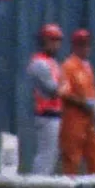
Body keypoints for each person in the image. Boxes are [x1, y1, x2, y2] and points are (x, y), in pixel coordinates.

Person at [58, 27, 95, 177]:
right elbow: (64, 93)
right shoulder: (68, 66)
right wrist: (83, 103)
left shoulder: (87, 67)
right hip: (73, 120)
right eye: (81, 44)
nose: (85, 48)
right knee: (72, 158)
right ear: (74, 46)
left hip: (89, 120)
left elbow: (92, 90)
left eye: (87, 44)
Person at [25, 23, 70, 176]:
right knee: (45, 156)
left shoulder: (53, 62)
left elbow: (64, 85)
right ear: (44, 41)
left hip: (55, 113)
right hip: (46, 114)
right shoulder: (39, 63)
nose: (57, 44)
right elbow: (55, 90)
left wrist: (63, 87)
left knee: (52, 155)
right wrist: (63, 88)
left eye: (58, 40)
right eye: (53, 40)